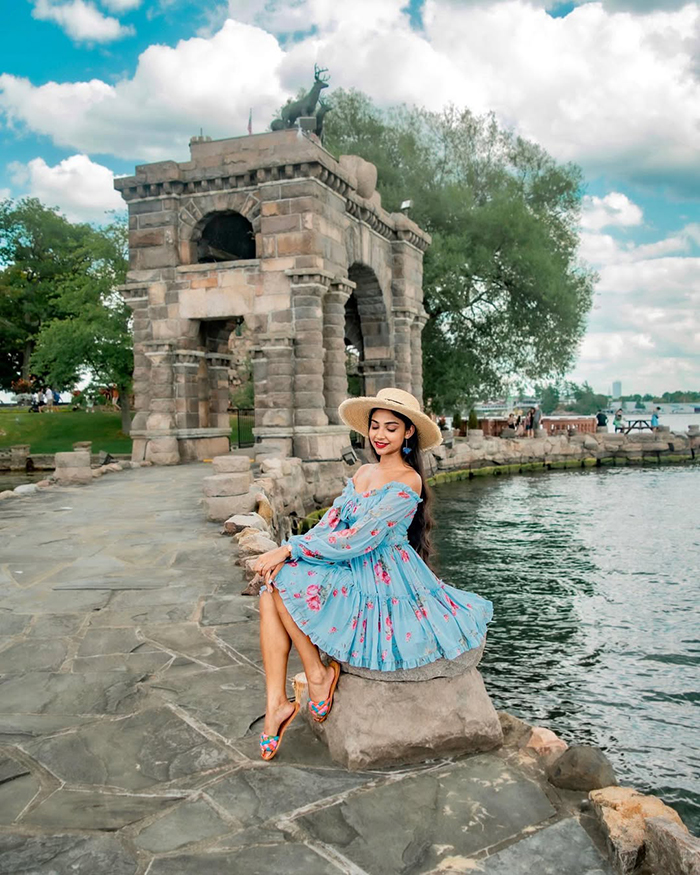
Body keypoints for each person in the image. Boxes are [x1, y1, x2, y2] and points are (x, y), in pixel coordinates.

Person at [252, 387, 493, 761]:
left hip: (383, 571)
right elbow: (331, 525)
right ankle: (276, 702)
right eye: (375, 427)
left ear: (408, 433)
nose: (380, 435)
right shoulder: (363, 472)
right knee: (272, 585)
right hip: (349, 562)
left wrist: (289, 548)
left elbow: (361, 539)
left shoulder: (408, 480)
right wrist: (289, 550)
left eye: (391, 428)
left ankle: (316, 675)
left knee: (281, 580)